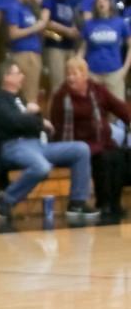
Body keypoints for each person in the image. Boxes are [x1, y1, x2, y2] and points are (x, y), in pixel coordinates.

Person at [0, 59, 99, 221]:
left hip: (35, 145)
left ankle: (77, 203)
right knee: (41, 166)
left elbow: (28, 123)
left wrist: (37, 120)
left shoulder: (19, 99)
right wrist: (36, 119)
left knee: (81, 149)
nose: (22, 76)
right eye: (18, 73)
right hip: (12, 146)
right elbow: (14, 122)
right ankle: (5, 201)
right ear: (7, 77)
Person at [49, 57, 131, 220]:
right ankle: (104, 203)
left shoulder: (98, 90)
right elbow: (57, 128)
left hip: (103, 141)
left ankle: (114, 203)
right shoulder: (61, 96)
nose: (71, 77)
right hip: (77, 145)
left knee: (120, 157)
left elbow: (119, 107)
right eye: (69, 74)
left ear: (85, 75)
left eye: (75, 73)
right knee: (104, 159)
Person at [76, 0, 131, 102]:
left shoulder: (120, 23)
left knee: (117, 113)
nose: (101, 3)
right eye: (98, 0)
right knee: (93, 111)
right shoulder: (89, 24)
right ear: (95, 4)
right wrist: (77, 66)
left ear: (110, 3)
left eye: (105, 0)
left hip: (114, 73)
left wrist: (124, 70)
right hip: (92, 74)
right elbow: (83, 49)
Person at [6, 0, 50, 103]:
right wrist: (35, 27)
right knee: (26, 95)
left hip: (35, 53)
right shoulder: (14, 7)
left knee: (33, 93)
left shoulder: (29, 9)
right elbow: (13, 33)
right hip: (22, 54)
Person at [43, 0, 82, 96]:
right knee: (58, 85)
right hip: (55, 45)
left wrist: (74, 29)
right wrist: (67, 30)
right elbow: (47, 22)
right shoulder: (50, 0)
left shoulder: (68, 1)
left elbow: (70, 20)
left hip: (69, 46)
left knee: (71, 83)